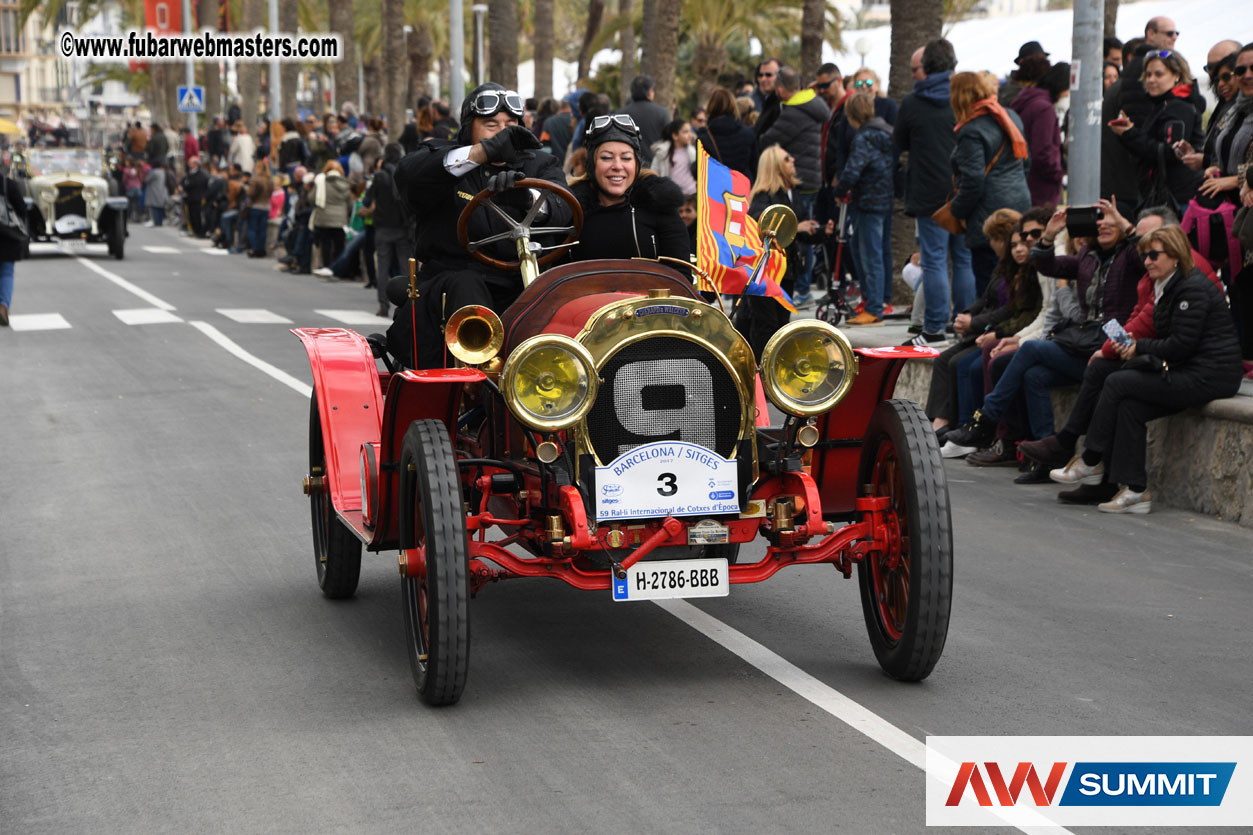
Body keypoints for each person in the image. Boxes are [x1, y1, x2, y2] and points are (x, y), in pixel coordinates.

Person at [1048, 226, 1243, 513]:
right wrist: (1132, 343)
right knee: (1130, 406)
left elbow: (1181, 345)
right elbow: (1161, 333)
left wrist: (1139, 347)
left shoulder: (1191, 288)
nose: (1148, 261)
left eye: (1154, 255)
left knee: (1118, 382)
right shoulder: (1164, 284)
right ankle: (1135, 490)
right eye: (1144, 255)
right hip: (1189, 368)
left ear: (1175, 256)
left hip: (1211, 375)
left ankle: (1090, 459)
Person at [389, 82, 572, 369]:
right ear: (469, 127)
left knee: (555, 295)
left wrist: (528, 199)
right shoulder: (445, 159)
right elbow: (408, 178)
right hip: (452, 284)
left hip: (519, 280)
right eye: (491, 125)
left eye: (510, 124)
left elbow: (564, 208)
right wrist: (482, 153)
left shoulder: (540, 164)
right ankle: (474, 369)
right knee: (466, 283)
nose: (502, 132)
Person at [943, 199, 1148, 455]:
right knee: (1033, 375)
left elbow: (1146, 255)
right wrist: (1049, 235)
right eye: (1099, 222)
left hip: (1115, 342)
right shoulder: (1087, 255)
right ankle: (1042, 453)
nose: (1104, 226)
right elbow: (1047, 265)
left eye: (1111, 222)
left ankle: (986, 419)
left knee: (1030, 350)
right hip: (1083, 342)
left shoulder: (1131, 255)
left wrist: (1125, 224)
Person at [897, 38, 975, 345]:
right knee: (964, 259)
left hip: (929, 192)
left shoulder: (912, 102)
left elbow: (899, 142)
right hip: (964, 188)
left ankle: (934, 327)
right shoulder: (965, 98)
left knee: (934, 260)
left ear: (926, 67)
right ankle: (965, 321)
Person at [926, 208, 1021, 444]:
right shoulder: (1002, 266)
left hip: (997, 331)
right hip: (984, 328)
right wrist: (967, 315)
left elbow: (1010, 310)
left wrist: (974, 323)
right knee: (943, 359)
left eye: (994, 239)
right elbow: (986, 299)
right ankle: (940, 421)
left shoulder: (1018, 271)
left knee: (962, 363)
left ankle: (964, 425)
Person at [737, 145, 832, 359]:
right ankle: (761, 367)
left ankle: (775, 366)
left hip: (786, 269)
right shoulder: (763, 196)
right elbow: (760, 227)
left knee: (781, 323)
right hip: (765, 270)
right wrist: (797, 227)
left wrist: (820, 232)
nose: (793, 160)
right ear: (776, 165)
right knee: (766, 324)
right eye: (787, 158)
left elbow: (796, 233)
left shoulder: (792, 192)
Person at [948, 71, 1031, 296]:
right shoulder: (1010, 116)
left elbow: (973, 181)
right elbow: (1025, 162)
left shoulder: (971, 130)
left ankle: (990, 318)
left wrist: (957, 210)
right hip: (1019, 202)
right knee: (1015, 274)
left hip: (988, 212)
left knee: (988, 280)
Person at [568, 114, 689, 266]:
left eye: (626, 158)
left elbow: (681, 273)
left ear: (636, 164)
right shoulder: (571, 210)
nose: (617, 166)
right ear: (592, 164)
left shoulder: (660, 205)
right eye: (606, 158)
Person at [760, 66, 830, 307]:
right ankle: (803, 288)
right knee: (805, 229)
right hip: (812, 178)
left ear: (781, 89)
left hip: (798, 178)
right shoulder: (814, 104)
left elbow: (767, 139)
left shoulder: (794, 112)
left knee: (798, 233)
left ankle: (802, 290)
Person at [1110, 49, 1204, 211]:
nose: (1151, 80)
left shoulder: (1179, 107)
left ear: (1176, 75)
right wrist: (1129, 132)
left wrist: (1130, 134)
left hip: (1178, 198)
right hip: (1168, 195)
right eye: (1148, 75)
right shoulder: (1163, 105)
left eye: (1158, 74)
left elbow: (1172, 152)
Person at [834, 93, 895, 326]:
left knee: (868, 256)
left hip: (867, 202)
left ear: (851, 116)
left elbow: (852, 171)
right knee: (877, 253)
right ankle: (877, 301)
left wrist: (839, 191)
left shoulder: (863, 138)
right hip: (885, 200)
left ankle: (873, 308)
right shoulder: (886, 132)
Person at [1009, 52, 1063, 207]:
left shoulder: (1022, 102)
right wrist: (1058, 174)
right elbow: (1042, 151)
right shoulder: (1043, 108)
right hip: (1042, 190)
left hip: (1023, 183)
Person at [367, 143, 412, 317]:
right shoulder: (404, 174)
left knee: (383, 268)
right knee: (406, 268)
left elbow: (367, 199)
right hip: (402, 226)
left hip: (383, 226)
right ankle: (408, 304)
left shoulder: (380, 176)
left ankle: (383, 305)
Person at [695, 88, 758, 180]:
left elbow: (701, 172)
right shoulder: (748, 133)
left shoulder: (704, 138)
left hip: (718, 187)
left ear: (711, 106)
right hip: (745, 185)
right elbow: (754, 166)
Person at [310, 160, 351, 268]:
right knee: (339, 245)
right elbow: (350, 204)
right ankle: (338, 268)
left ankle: (326, 266)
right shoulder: (346, 183)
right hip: (340, 220)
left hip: (324, 218)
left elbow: (312, 198)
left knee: (326, 244)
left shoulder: (321, 181)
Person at [0, 170, 28, 326]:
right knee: (6, 272)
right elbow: (22, 209)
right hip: (7, 235)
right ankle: (3, 306)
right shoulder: (8, 184)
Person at [618, 75, 671, 151]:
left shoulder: (620, 114)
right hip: (655, 157)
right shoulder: (662, 113)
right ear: (650, 91)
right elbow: (669, 141)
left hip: (629, 157)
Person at [649, 118, 698, 197]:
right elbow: (653, 173)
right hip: (671, 197)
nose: (690, 135)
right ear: (675, 135)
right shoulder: (662, 153)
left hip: (692, 195)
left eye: (690, 131)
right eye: (685, 132)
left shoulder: (693, 152)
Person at [245, 159, 272, 257]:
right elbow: (270, 194)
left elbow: (251, 193)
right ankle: (261, 249)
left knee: (252, 229)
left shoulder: (255, 180)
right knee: (262, 230)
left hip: (255, 206)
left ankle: (254, 248)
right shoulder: (269, 180)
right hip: (266, 207)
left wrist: (247, 189)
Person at [180, 157, 208, 237]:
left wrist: (186, 185)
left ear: (196, 164)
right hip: (190, 198)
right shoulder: (190, 173)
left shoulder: (201, 174)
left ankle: (199, 232)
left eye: (191, 163)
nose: (189, 165)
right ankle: (194, 231)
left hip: (197, 198)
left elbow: (193, 184)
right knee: (191, 215)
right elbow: (184, 182)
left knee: (197, 216)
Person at [144, 162, 170, 227]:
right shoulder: (162, 172)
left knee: (154, 207)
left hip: (154, 191)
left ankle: (156, 222)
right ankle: (160, 222)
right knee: (160, 207)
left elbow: (146, 180)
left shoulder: (153, 172)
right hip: (161, 191)